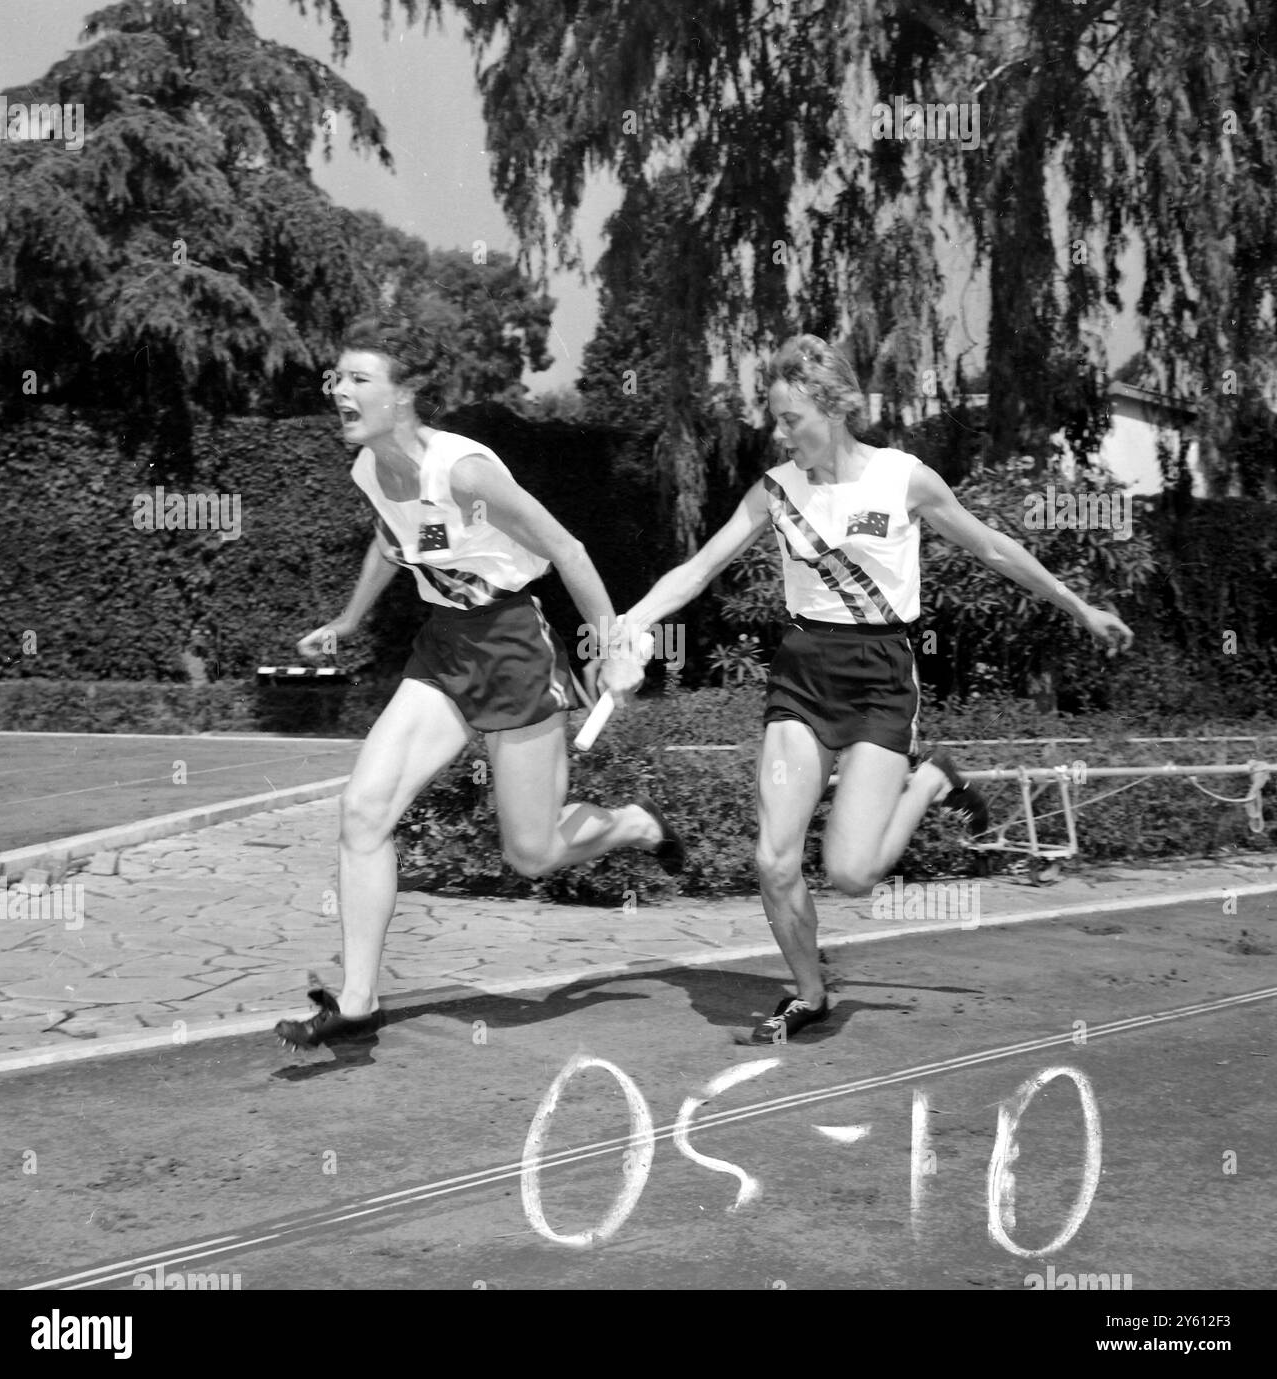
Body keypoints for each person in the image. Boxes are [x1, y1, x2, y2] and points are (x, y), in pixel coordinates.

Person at [614, 334, 1134, 1045]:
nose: (778, 430)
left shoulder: (902, 478)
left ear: (832, 408)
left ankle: (929, 781)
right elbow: (699, 568)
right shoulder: (775, 491)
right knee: (773, 859)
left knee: (853, 873)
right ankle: (808, 992)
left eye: (789, 417)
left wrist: (1077, 606)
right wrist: (632, 620)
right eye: (774, 416)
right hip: (802, 675)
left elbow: (991, 547)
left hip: (883, 678)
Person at [275, 315, 681, 1050]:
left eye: (359, 378)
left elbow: (566, 546)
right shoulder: (370, 468)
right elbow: (391, 540)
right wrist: (348, 618)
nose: (339, 389)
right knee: (364, 810)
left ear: (403, 396)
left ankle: (631, 825)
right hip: (443, 650)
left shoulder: (465, 472)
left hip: (512, 648)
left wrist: (614, 645)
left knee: (531, 854)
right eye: (337, 377)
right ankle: (359, 1000)